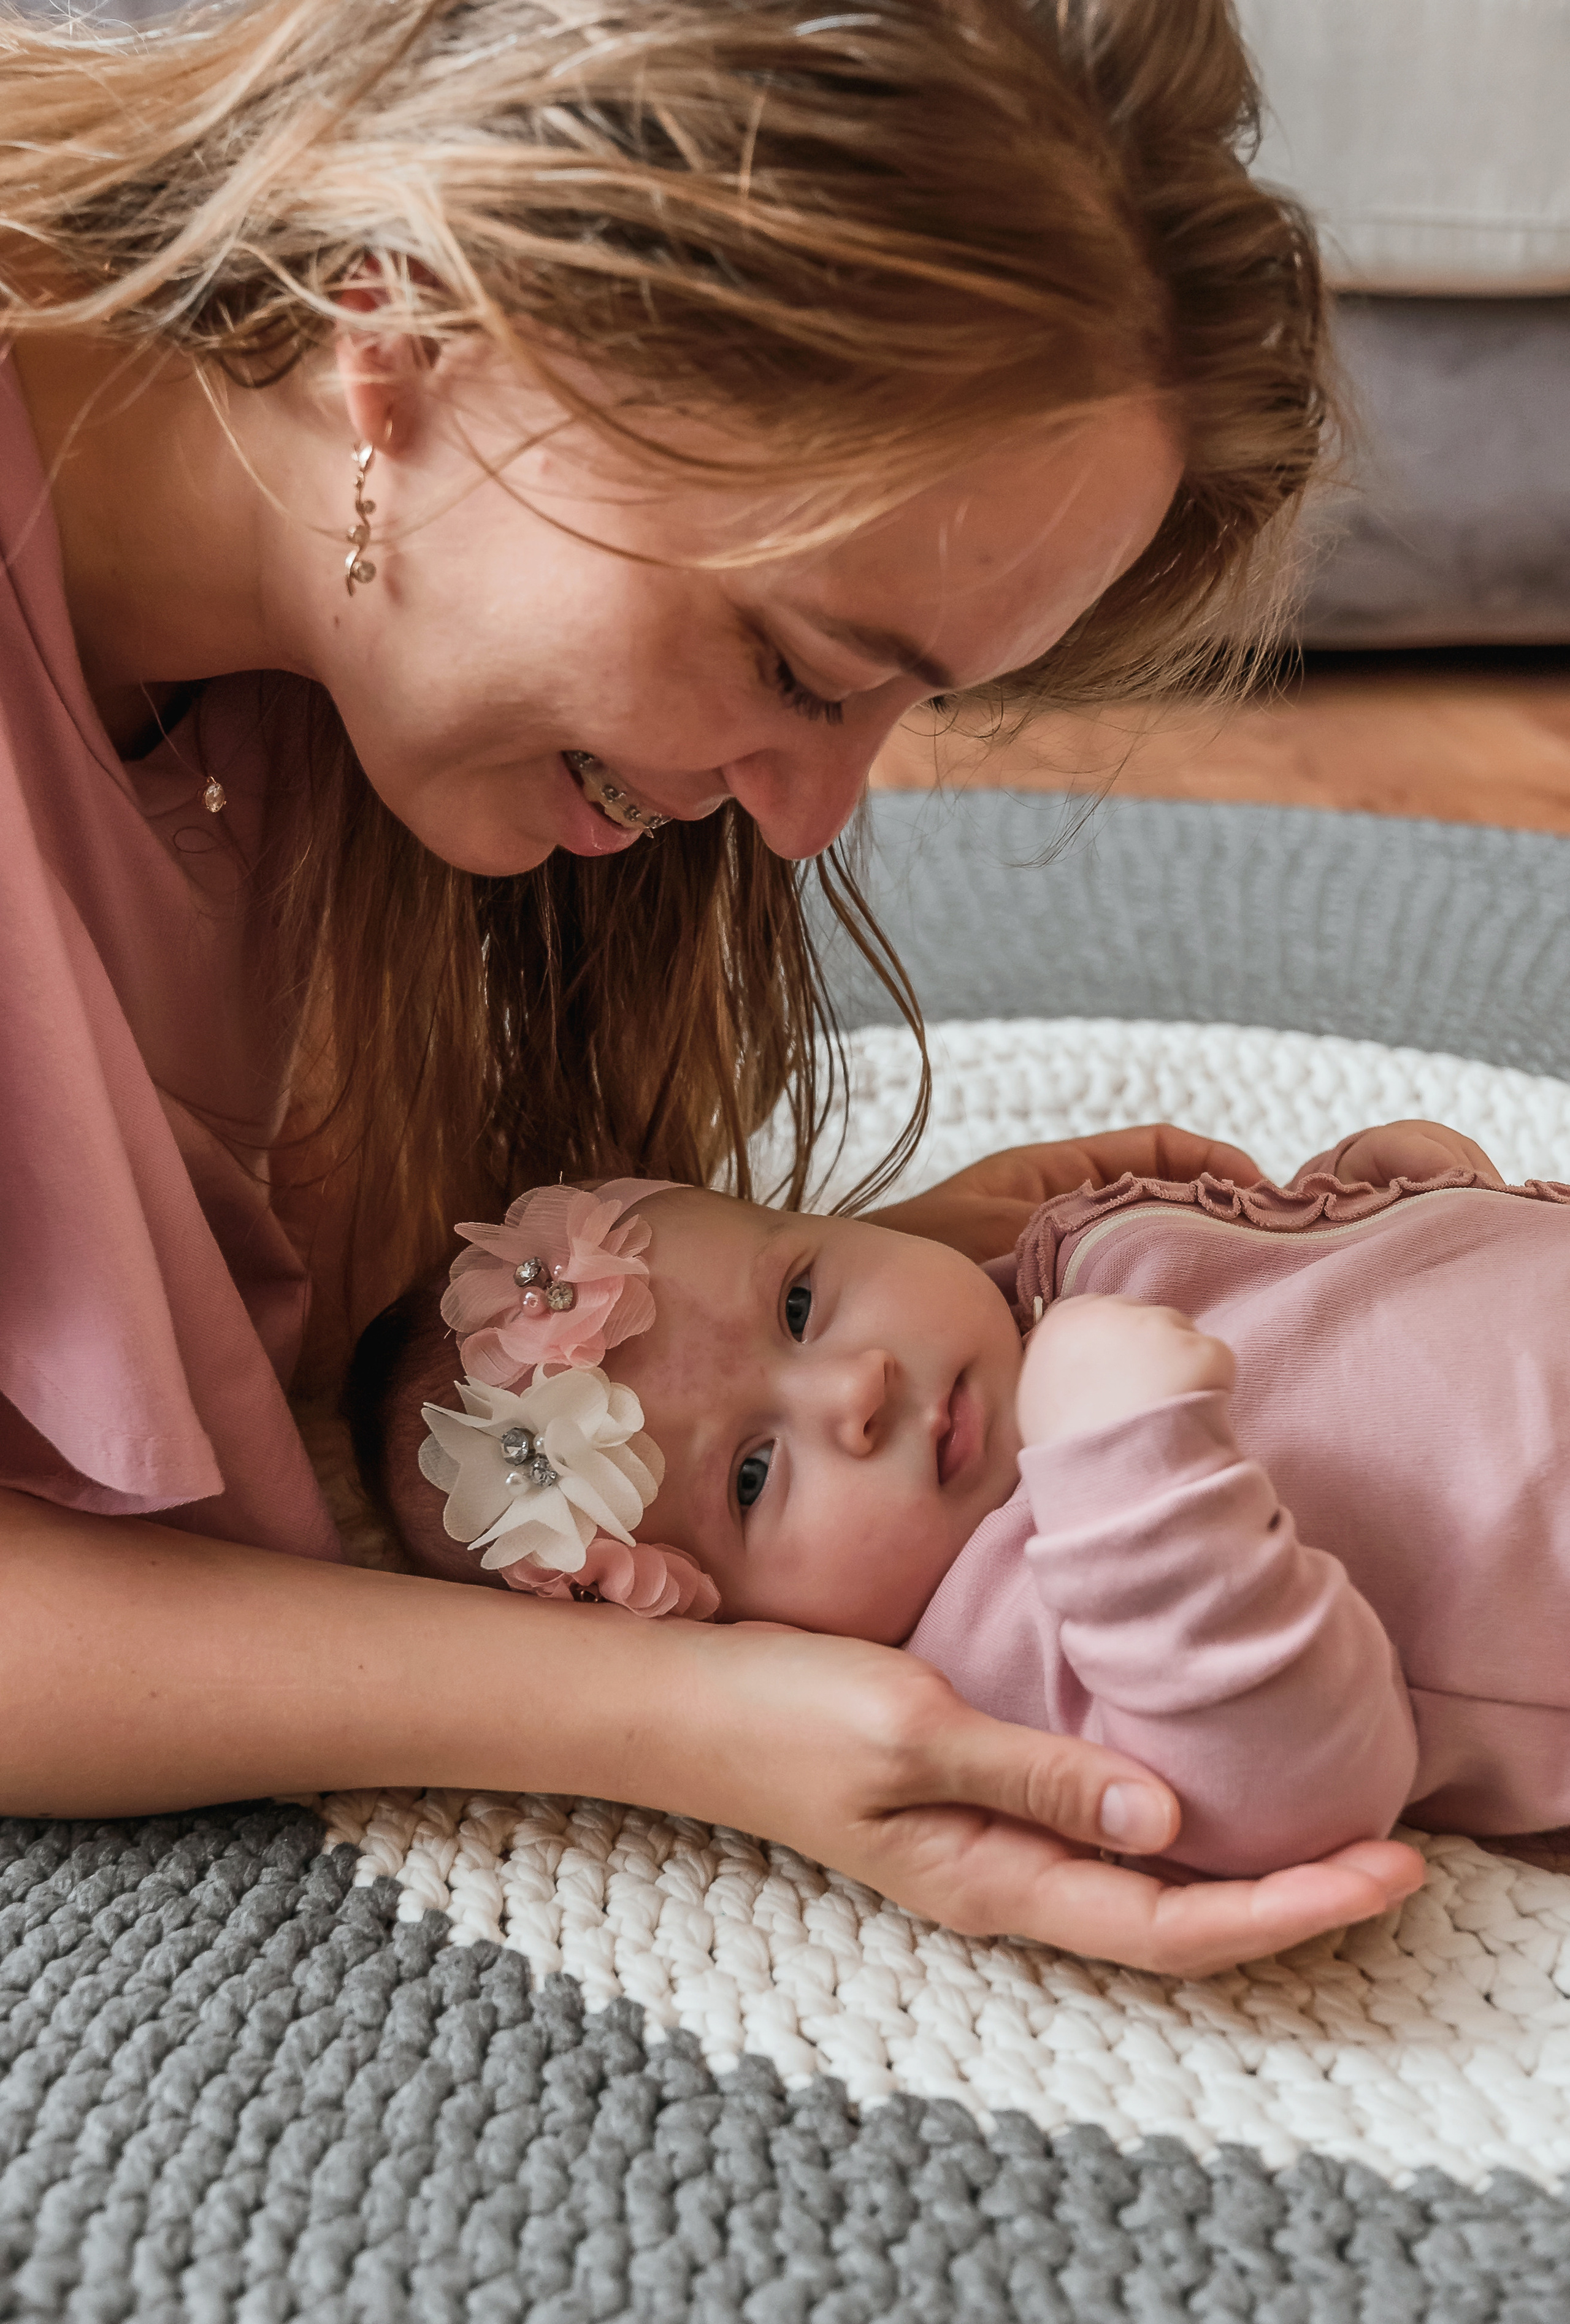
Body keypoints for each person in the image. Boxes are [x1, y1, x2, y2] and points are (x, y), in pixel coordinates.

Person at [0, 0, 1422, 1970]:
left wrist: (748, 1323)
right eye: (796, 663)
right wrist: (690, 1727)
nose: (811, 821)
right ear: (406, 326)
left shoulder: (330, 698)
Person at [359, 1117, 1568, 1886]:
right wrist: (1133, 1473)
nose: (856, 1387)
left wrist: (1382, 1219)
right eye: (752, 1473)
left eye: (797, 1302)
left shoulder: (1023, 1280)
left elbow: (1314, 1324)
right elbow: (1282, 1792)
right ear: (744, 1639)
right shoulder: (1010, 1623)